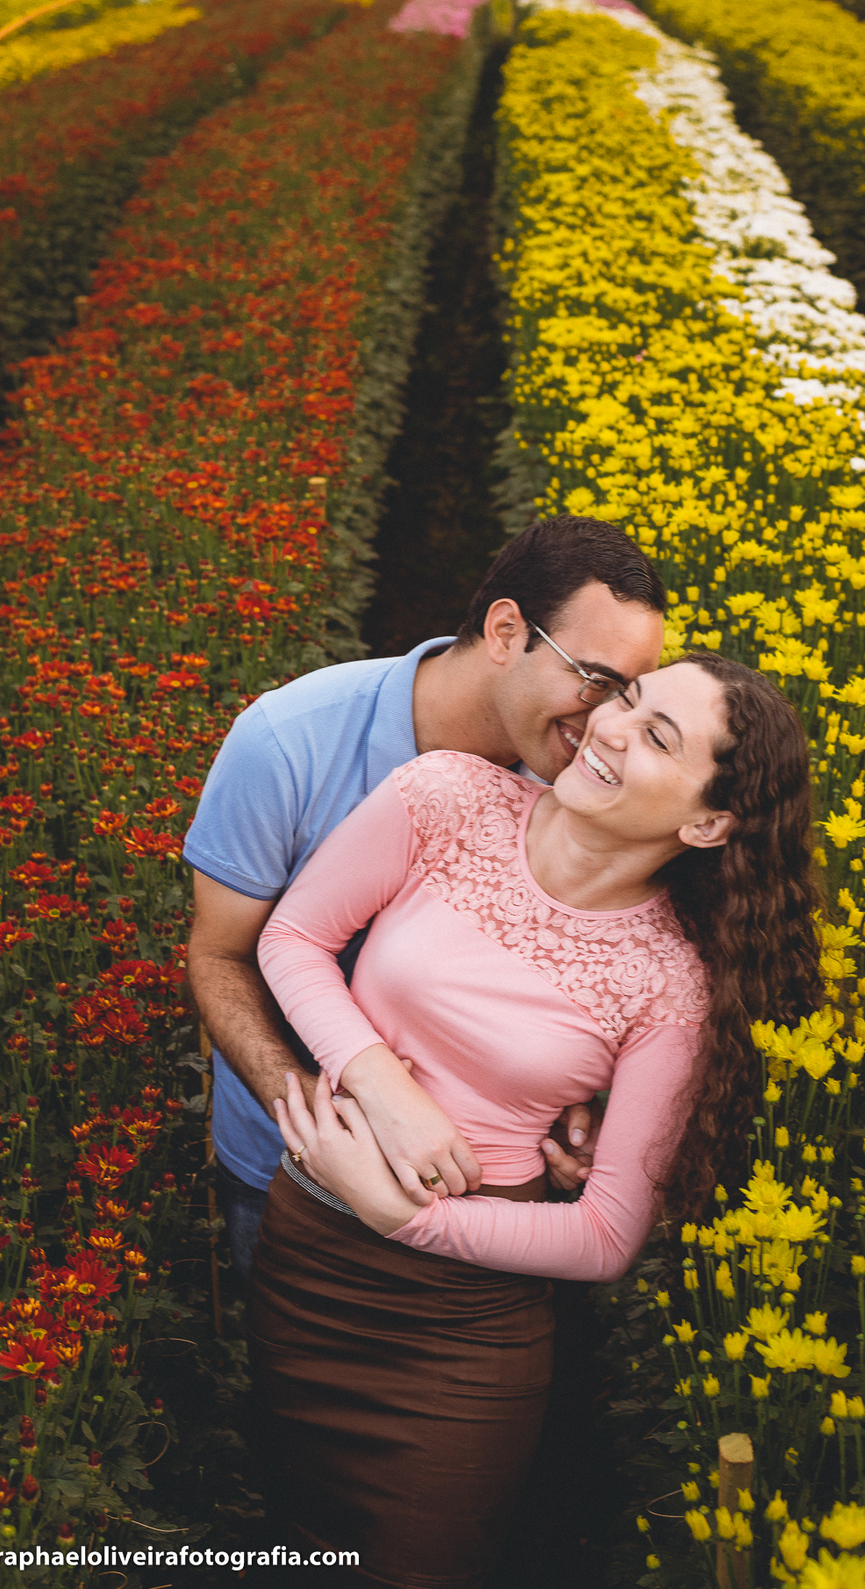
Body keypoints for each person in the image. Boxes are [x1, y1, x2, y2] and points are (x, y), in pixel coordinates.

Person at [248, 651, 824, 1588]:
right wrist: (380, 1082)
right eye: (626, 700)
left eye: (657, 737)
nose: (610, 729)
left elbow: (605, 1237)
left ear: (708, 822)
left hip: (460, 1327)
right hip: (309, 1255)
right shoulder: (445, 796)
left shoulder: (671, 987)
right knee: (297, 1544)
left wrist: (411, 1219)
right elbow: (294, 938)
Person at [184, 515, 669, 1281]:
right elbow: (218, 958)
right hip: (285, 1164)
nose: (608, 723)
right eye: (596, 681)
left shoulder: (580, 787)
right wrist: (325, 1115)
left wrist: (576, 1093)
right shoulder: (288, 741)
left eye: (630, 697)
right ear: (506, 631)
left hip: (479, 1197)